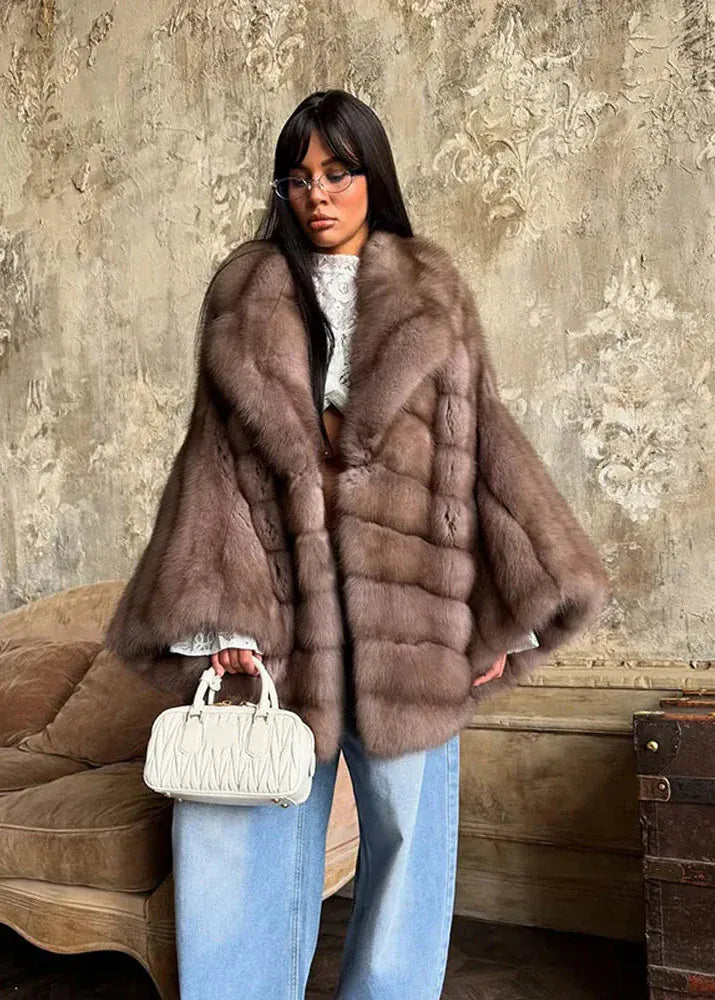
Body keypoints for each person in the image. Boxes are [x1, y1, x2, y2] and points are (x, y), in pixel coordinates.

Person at [105, 89, 611, 999]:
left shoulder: (432, 292)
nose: (318, 194)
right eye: (298, 177)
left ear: (372, 174)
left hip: (411, 624)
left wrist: (507, 617)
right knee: (237, 847)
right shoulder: (245, 295)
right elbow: (211, 463)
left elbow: (484, 446)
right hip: (280, 622)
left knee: (409, 855)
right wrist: (224, 620)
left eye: (338, 171)